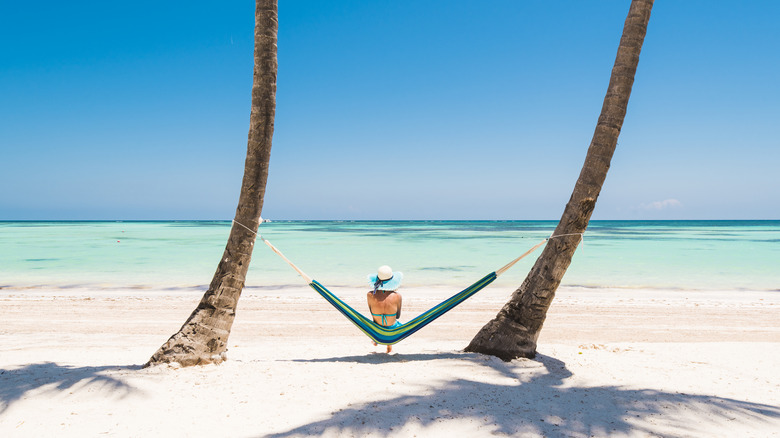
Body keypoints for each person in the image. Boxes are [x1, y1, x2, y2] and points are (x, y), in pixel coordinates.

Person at [367, 265, 403, 353]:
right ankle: (388, 343)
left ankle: (376, 339)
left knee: (377, 320)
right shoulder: (397, 296)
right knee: (395, 323)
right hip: (392, 330)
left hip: (376, 329)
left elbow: (372, 313)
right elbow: (398, 315)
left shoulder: (370, 295)